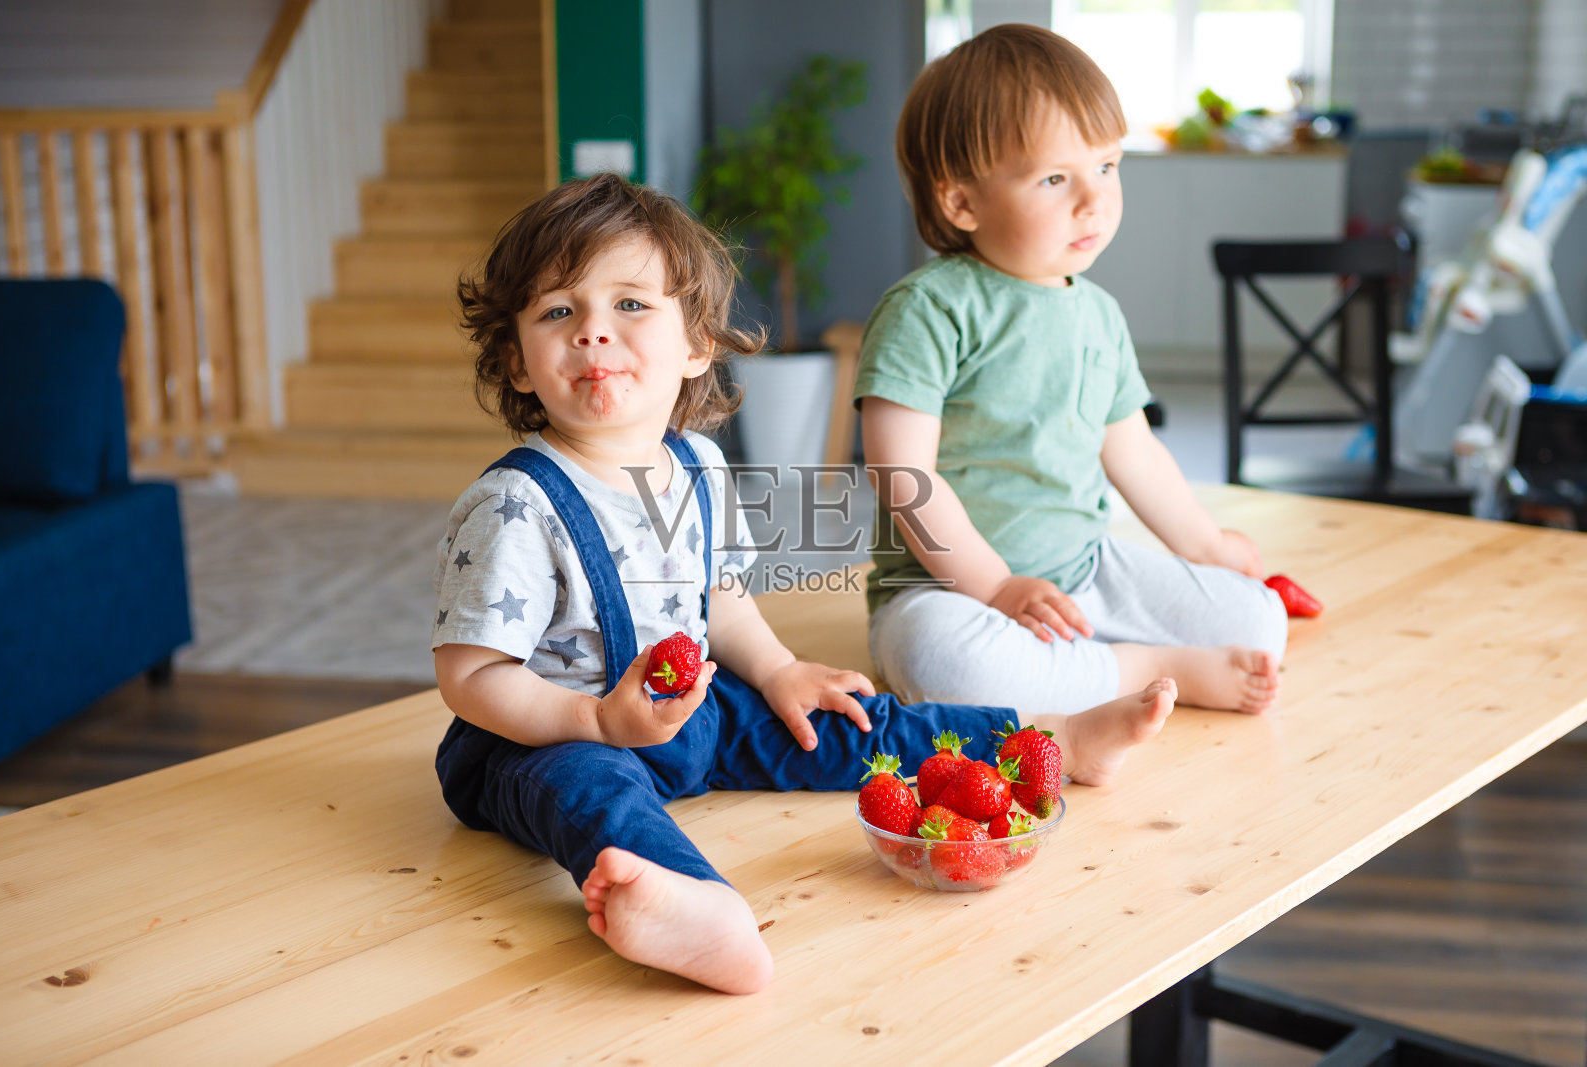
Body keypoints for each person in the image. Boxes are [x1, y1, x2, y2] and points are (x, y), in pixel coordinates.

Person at [430, 173, 1178, 995]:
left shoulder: (699, 466)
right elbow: (470, 678)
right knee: (593, 791)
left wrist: (782, 668)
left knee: (841, 718)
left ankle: (1044, 738)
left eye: (631, 306)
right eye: (558, 312)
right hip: (541, 739)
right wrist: (596, 719)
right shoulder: (517, 504)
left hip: (688, 717)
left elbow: (719, 600)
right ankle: (697, 905)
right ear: (518, 361)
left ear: (696, 343)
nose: (594, 334)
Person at [855, 25, 1288, 749]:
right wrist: (996, 588)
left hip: (1083, 568)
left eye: (1108, 166)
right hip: (950, 591)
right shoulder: (930, 307)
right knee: (942, 660)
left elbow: (1136, 453)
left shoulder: (1098, 313)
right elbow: (902, 475)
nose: (1095, 199)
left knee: (1259, 621)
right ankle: (1148, 666)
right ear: (962, 202)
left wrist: (1207, 544)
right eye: (1055, 178)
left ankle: (1080, 670)